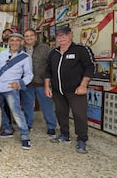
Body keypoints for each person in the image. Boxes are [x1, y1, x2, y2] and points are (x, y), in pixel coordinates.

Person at [45, 25, 95, 154]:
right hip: (58, 91)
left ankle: (82, 140)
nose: (61, 38)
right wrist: (47, 86)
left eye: (64, 35)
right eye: (58, 36)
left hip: (76, 91)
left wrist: (83, 85)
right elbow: (48, 71)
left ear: (70, 35)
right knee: (61, 113)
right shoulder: (53, 53)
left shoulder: (81, 50)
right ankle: (64, 134)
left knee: (79, 115)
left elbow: (90, 67)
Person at [0, 33, 33, 150]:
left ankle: (25, 135)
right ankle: (7, 129)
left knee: (16, 111)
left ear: (21, 42)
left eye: (17, 40)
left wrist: (19, 83)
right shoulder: (2, 53)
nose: (14, 42)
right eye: (12, 40)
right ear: (9, 42)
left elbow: (29, 75)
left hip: (11, 87)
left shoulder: (25, 57)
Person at [21, 29, 57, 135]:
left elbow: (51, 64)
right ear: (24, 38)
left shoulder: (44, 48)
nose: (29, 38)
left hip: (42, 82)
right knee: (27, 105)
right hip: (27, 83)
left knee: (47, 105)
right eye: (26, 36)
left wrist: (49, 81)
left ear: (35, 37)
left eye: (31, 36)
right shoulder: (20, 49)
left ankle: (51, 126)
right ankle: (28, 124)